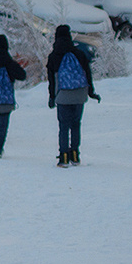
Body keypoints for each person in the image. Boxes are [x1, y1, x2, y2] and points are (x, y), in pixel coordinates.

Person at [44, 24, 99, 166]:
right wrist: (91, 92)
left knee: (63, 126)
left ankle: (63, 157)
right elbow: (88, 74)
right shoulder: (79, 53)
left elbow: (52, 80)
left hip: (62, 95)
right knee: (76, 125)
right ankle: (75, 155)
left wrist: (51, 97)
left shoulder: (54, 56)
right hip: (79, 94)